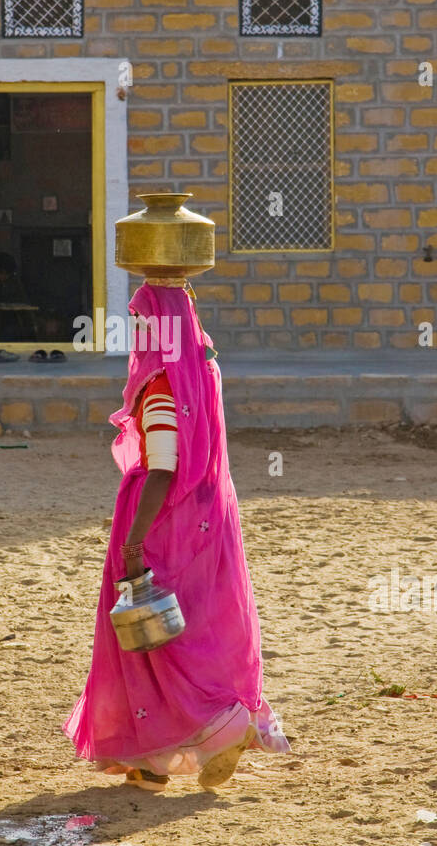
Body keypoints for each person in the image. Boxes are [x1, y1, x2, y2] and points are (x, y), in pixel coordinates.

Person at [63, 280, 289, 792]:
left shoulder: (163, 384)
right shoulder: (200, 372)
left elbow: (163, 467)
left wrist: (134, 541)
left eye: (143, 322)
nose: (138, 332)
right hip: (206, 517)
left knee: (153, 636)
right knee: (190, 626)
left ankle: (214, 729)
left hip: (165, 523)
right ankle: (156, 759)